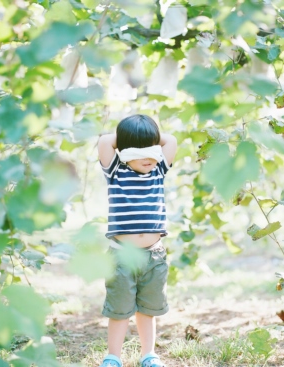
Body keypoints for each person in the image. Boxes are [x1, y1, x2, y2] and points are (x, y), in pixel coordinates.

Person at [97, 114, 177, 367]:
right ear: (123, 151)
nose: (148, 157)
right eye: (138, 152)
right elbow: (104, 141)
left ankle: (148, 354)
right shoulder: (115, 171)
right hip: (122, 255)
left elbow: (171, 140)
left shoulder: (158, 170)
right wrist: (128, 138)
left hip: (154, 255)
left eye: (153, 150)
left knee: (148, 309)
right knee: (119, 310)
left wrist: (149, 136)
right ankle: (113, 357)